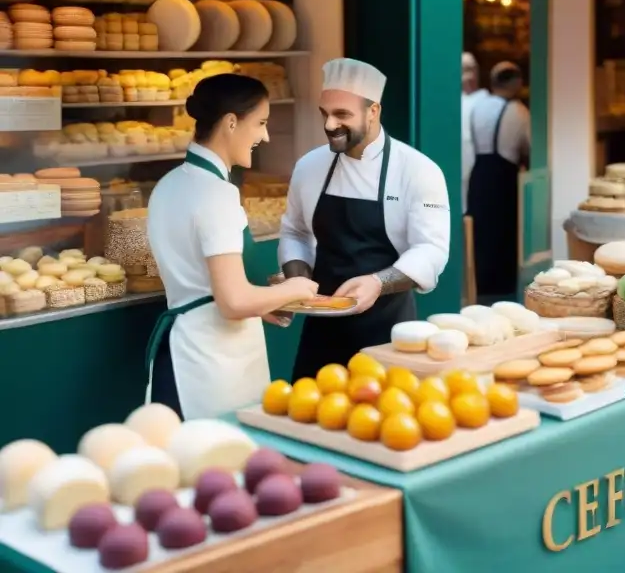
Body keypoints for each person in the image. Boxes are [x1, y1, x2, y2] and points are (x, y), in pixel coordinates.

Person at [145, 74, 319, 420]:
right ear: (230, 122)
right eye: (261, 123)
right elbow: (233, 301)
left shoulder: (169, 184)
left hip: (183, 350)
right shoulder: (217, 194)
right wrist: (295, 288)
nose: (265, 136)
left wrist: (268, 303)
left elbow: (204, 285)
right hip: (214, 363)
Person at [279, 58, 450, 380]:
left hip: (388, 332)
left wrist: (377, 282)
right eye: (324, 113)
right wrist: (295, 277)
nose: (329, 125)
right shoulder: (309, 166)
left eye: (342, 114)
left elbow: (432, 250)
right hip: (321, 329)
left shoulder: (418, 170)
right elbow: (295, 232)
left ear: (374, 111)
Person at [466, 61, 530, 302]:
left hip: (480, 172)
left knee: (482, 230)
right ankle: (503, 287)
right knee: (504, 231)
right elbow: (528, 146)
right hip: (504, 176)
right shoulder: (519, 111)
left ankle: (481, 285)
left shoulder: (478, 107)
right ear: (516, 83)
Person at [461, 52, 487, 213]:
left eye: (471, 69)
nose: (469, 75)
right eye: (464, 69)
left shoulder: (486, 100)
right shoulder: (454, 100)